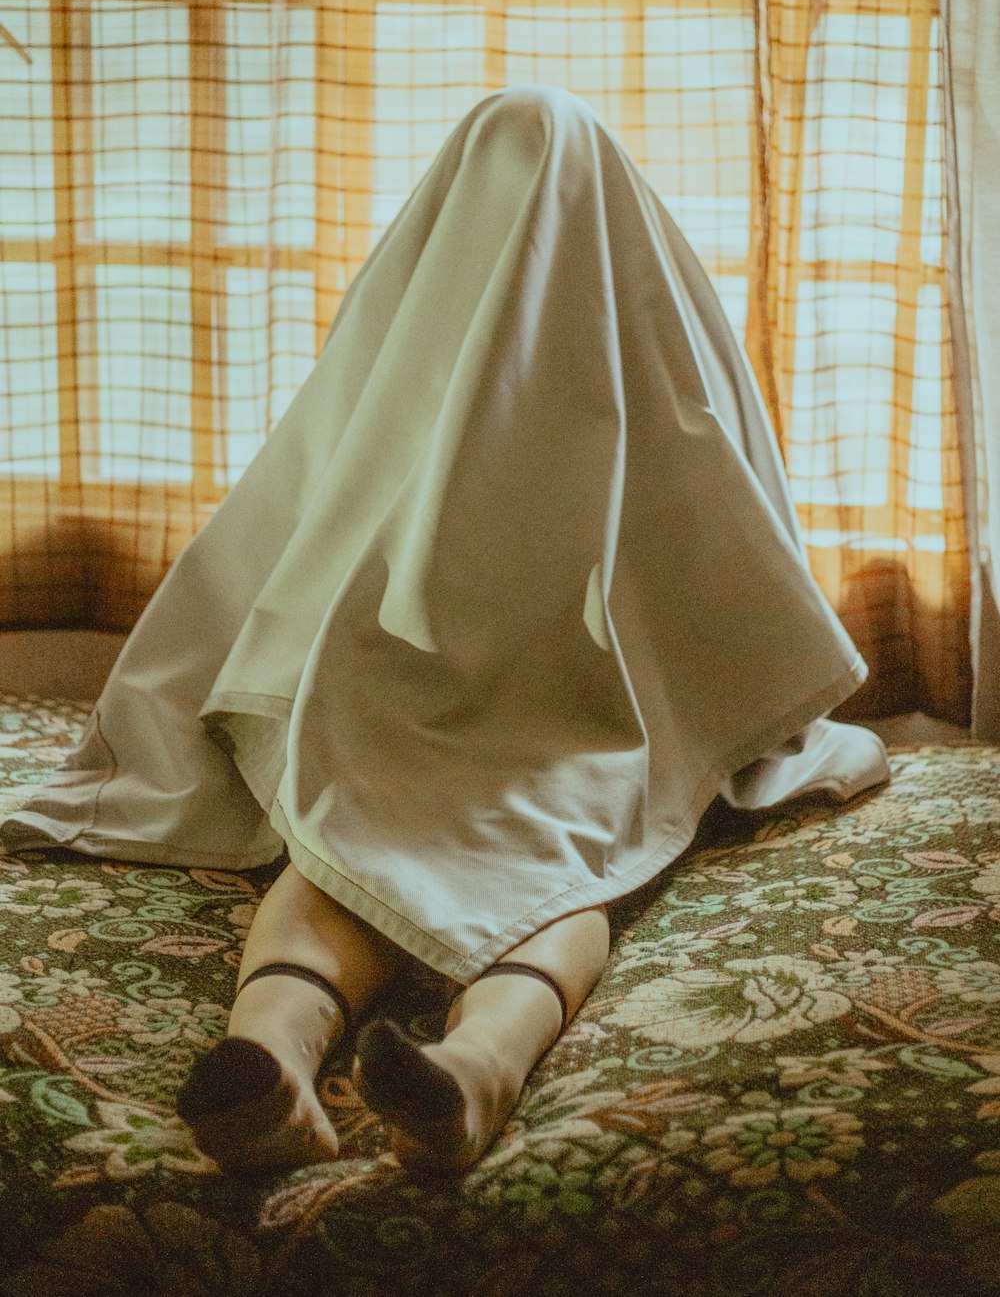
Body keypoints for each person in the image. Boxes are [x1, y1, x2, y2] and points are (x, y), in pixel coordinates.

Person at [0, 84, 890, 1178]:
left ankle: (273, 1046)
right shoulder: (658, 347)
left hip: (403, 712)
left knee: (349, 840)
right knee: (568, 860)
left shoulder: (409, 351)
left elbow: (279, 537)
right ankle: (479, 1063)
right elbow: (750, 589)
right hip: (584, 734)